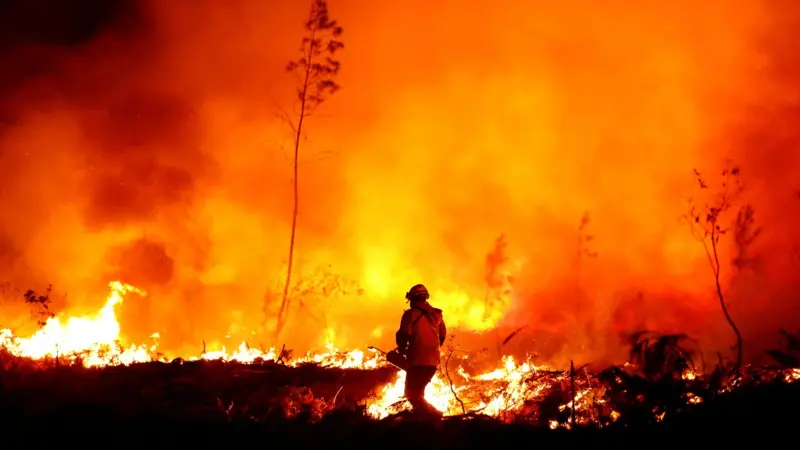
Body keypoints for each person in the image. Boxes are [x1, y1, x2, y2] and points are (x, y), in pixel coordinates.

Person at [395, 283, 447, 418]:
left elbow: (403, 335)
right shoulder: (437, 315)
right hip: (433, 363)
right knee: (418, 394)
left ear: (412, 299)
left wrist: (402, 350)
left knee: (411, 394)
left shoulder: (409, 315)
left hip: (417, 362)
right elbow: (442, 336)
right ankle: (424, 419)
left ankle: (434, 417)